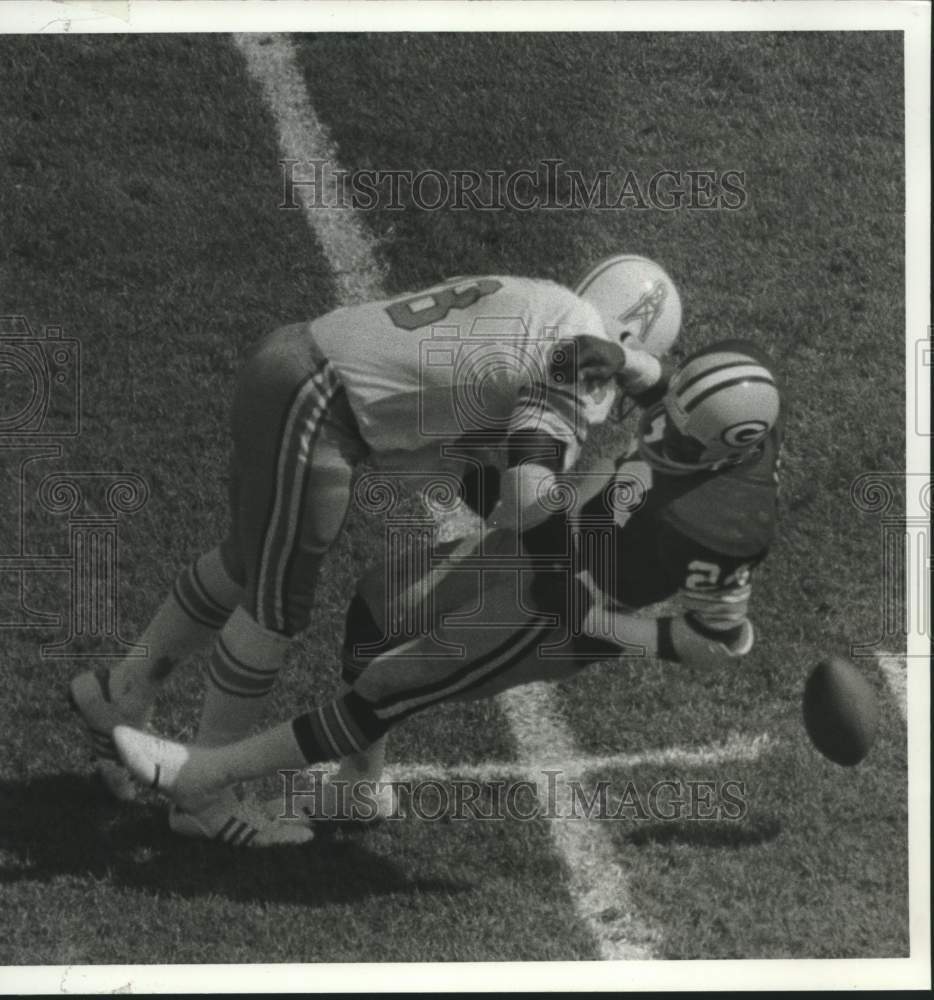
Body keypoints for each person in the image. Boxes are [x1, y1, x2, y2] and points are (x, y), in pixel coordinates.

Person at [69, 256, 682, 846]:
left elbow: (472, 451)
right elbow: (526, 487)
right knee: (276, 604)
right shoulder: (580, 355)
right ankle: (200, 796)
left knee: (243, 562)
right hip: (315, 402)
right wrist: (557, 579)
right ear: (627, 333)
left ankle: (121, 694)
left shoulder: (549, 303)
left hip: (292, 360)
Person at [112, 339, 782, 839]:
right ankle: (360, 788)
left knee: (390, 684)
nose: (658, 432)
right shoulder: (717, 401)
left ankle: (204, 776)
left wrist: (595, 622)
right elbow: (667, 390)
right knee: (380, 604)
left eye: (681, 441)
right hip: (556, 534)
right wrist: (628, 361)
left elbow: (715, 644)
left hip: (567, 606)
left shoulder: (728, 524)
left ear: (729, 451)